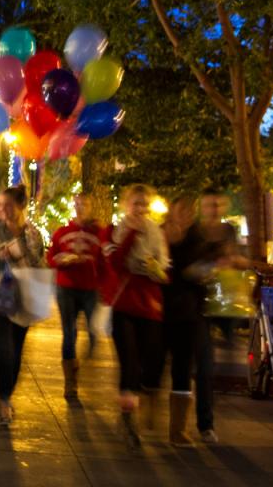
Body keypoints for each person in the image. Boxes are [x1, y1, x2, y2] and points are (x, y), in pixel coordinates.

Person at [163, 189, 245, 446]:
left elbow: (232, 258)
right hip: (193, 307)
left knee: (208, 367)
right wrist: (211, 267)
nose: (214, 210)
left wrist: (236, 262)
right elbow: (186, 269)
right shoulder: (192, 234)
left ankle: (204, 423)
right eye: (209, 205)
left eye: (218, 205)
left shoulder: (227, 232)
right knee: (197, 366)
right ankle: (195, 425)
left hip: (219, 303)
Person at [102, 183, 170, 448]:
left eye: (144, 204)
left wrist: (157, 268)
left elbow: (164, 265)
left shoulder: (156, 231)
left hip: (149, 304)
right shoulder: (116, 229)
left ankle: (135, 404)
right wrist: (131, 234)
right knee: (128, 359)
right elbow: (115, 262)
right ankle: (128, 416)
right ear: (126, 205)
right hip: (124, 302)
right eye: (135, 203)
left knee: (146, 361)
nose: (140, 208)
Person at [0, 185, 45, 426]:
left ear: (21, 206)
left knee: (16, 352)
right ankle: (5, 401)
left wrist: (24, 252)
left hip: (24, 298)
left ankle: (5, 390)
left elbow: (41, 267)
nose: (2, 210)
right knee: (5, 349)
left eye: (7, 205)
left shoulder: (34, 234)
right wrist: (0, 257)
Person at [47, 193, 106, 399]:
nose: (80, 207)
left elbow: (105, 259)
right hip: (66, 288)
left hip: (90, 288)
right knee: (69, 333)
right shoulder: (63, 232)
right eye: (78, 204)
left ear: (91, 207)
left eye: (85, 204)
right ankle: (70, 382)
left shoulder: (99, 232)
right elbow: (50, 257)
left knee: (93, 331)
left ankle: (82, 362)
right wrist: (59, 260)